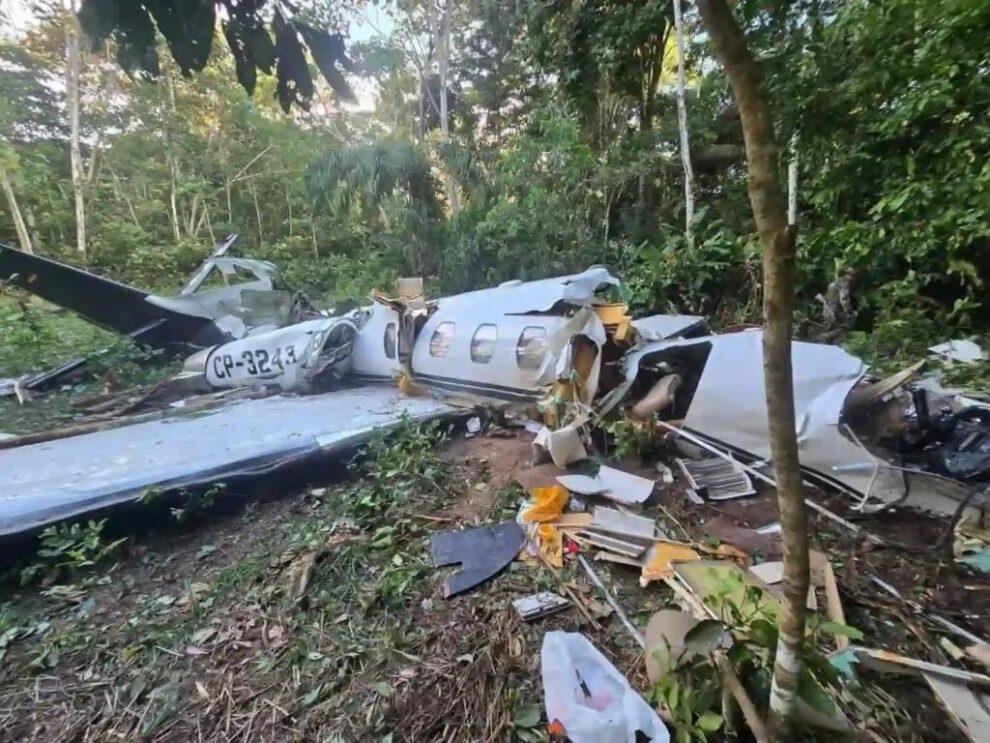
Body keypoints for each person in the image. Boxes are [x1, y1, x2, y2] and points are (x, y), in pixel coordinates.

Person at [817, 267, 859, 332]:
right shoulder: (845, 283)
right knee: (840, 328)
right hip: (836, 310)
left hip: (828, 308)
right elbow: (843, 298)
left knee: (828, 328)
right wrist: (848, 311)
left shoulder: (837, 281)